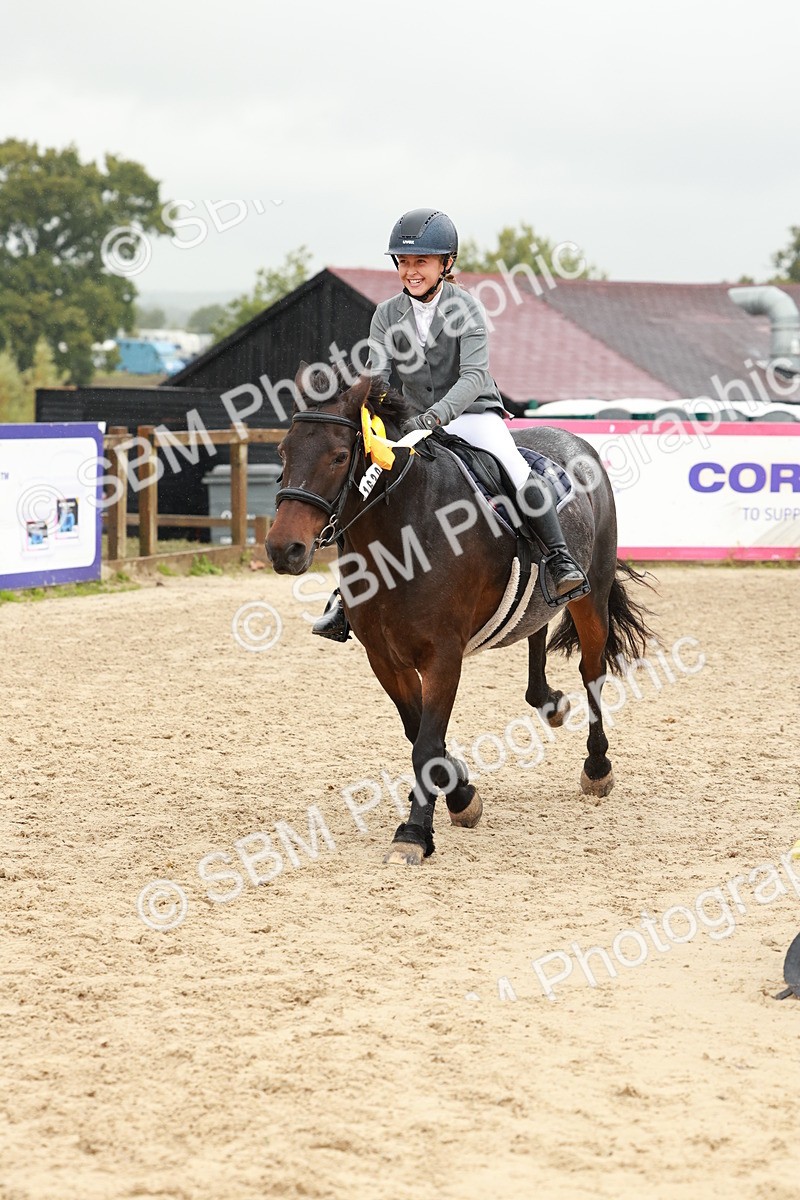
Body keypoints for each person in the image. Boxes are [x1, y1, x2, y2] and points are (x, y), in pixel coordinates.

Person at [313, 207, 586, 641]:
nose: (411, 271)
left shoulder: (467, 308)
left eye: (421, 261)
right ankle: (347, 595)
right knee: (365, 483)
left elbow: (474, 375)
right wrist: (377, 415)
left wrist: (435, 416)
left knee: (512, 466)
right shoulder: (386, 313)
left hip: (473, 413)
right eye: (403, 262)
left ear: (446, 264)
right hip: (412, 421)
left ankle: (559, 560)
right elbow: (378, 376)